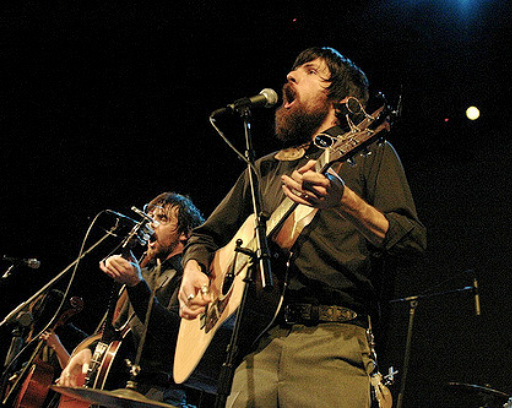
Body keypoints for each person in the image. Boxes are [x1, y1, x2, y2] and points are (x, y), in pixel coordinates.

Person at [179, 47, 426, 407]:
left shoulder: (370, 153)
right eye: (294, 69)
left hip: (333, 346)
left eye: (310, 71)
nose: (290, 76)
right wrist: (192, 270)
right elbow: (205, 234)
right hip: (255, 348)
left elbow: (412, 241)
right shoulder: (264, 168)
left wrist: (345, 201)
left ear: (341, 100)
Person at [57, 192, 205, 406]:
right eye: (149, 218)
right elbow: (117, 330)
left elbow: (175, 333)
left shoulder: (188, 275)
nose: (150, 225)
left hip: (159, 393)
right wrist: (87, 350)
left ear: (185, 232)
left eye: (162, 218)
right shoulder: (144, 272)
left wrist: (136, 286)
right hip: (119, 390)